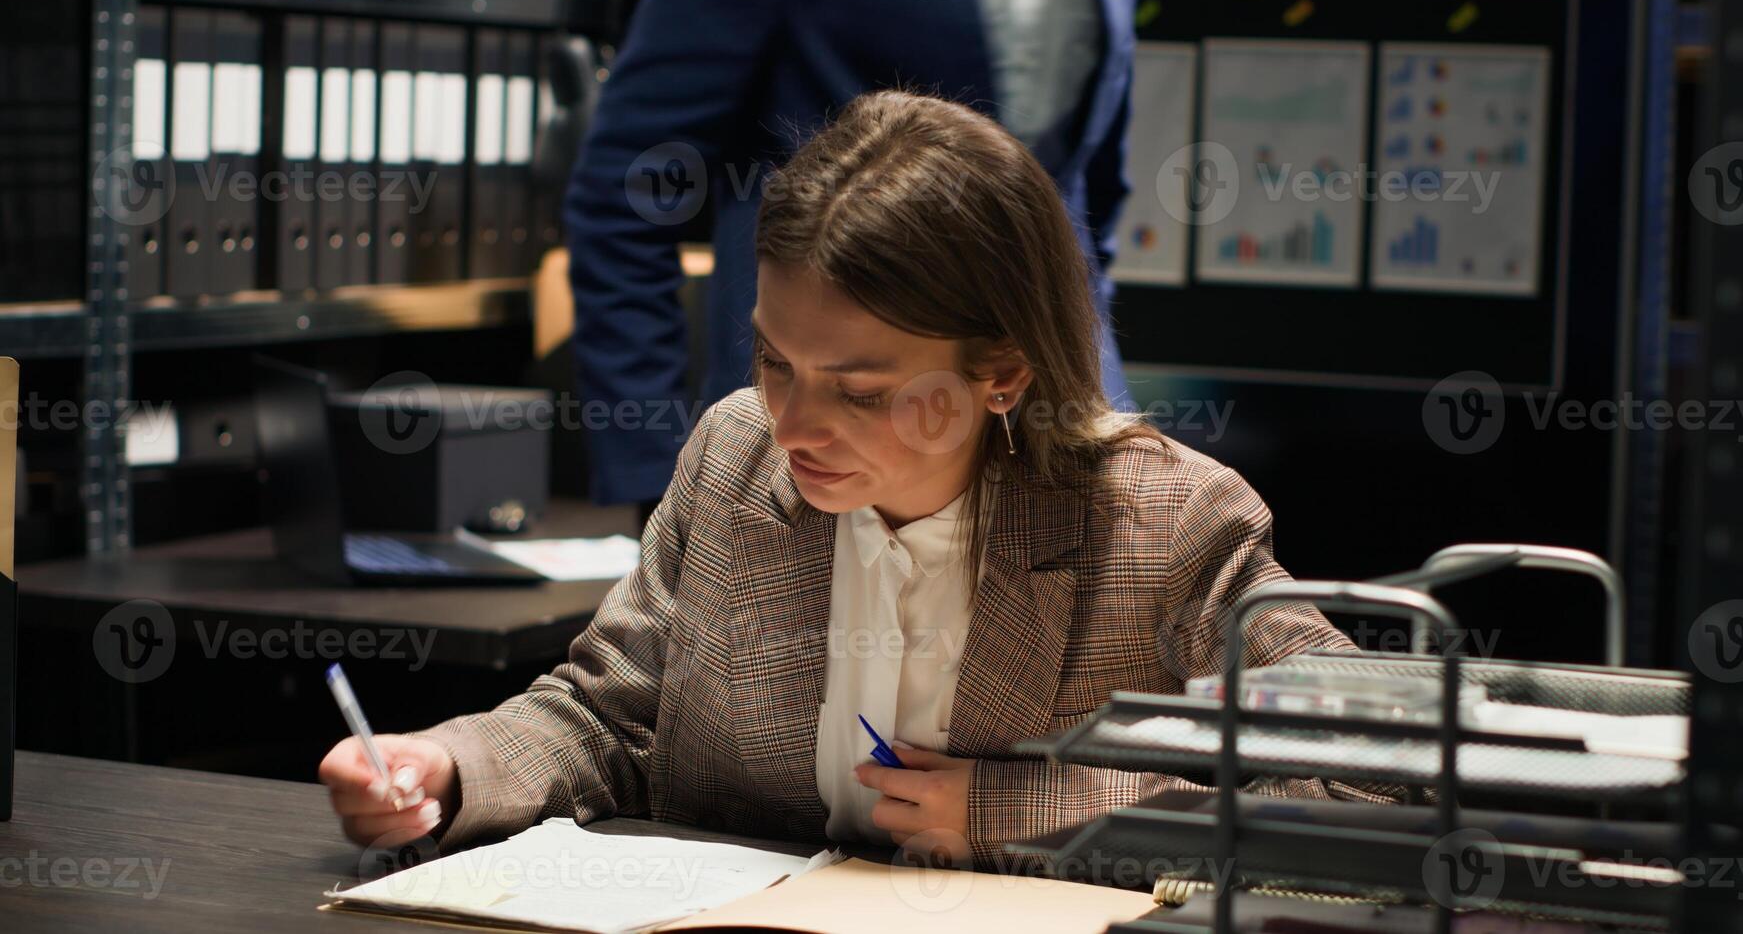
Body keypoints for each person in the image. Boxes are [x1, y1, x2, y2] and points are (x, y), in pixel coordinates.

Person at [320, 92, 1377, 872]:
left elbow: (1362, 786)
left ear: (1000, 371)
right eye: (775, 359)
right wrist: (446, 765)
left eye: (859, 389)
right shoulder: (734, 455)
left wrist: (1025, 804)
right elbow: (611, 716)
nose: (792, 422)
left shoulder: (1168, 521)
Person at [566, 0, 1142, 521]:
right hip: (818, 418)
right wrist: (657, 463)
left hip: (1054, 409)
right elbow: (628, 191)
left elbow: (1086, 188)